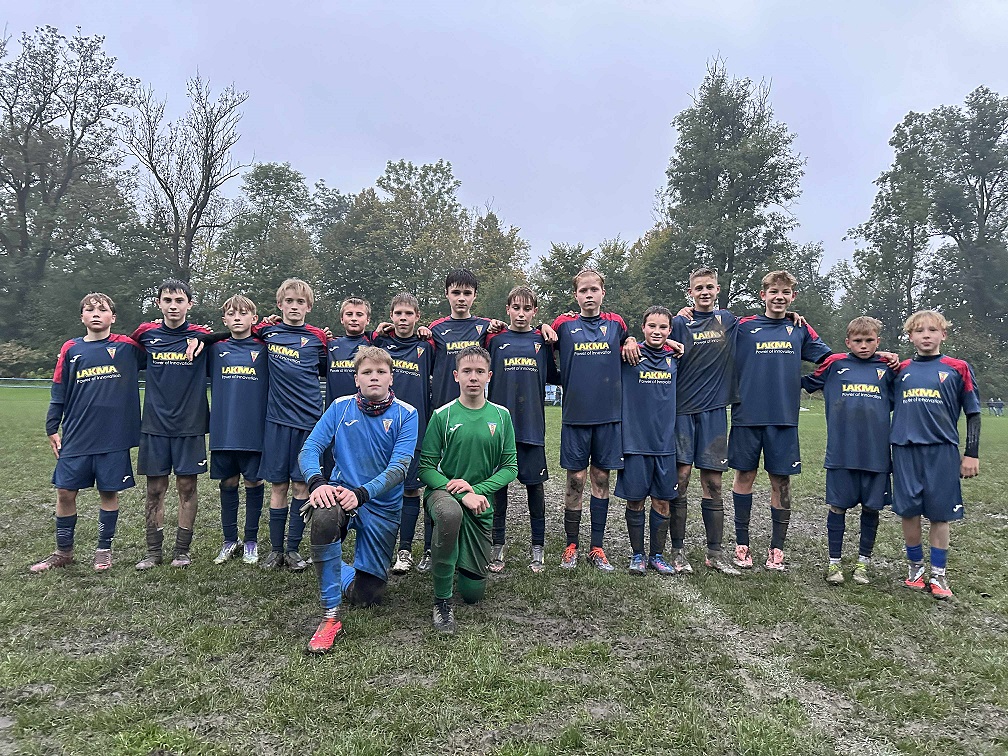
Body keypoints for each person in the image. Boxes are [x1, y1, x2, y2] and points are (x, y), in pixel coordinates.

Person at [299, 346, 418, 652]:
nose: (373, 377)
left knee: (368, 597)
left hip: (381, 506)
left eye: (380, 371)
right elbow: (310, 448)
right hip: (341, 494)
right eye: (367, 372)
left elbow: (399, 469)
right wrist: (317, 484)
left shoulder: (407, 414)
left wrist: (362, 494)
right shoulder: (340, 407)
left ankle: (333, 565)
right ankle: (330, 616)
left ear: (391, 378)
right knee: (325, 514)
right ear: (356, 379)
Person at [31, 293, 144, 573]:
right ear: (81, 316)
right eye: (89, 309)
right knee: (65, 491)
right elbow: (59, 389)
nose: (96, 313)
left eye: (102, 309)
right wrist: (52, 426)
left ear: (113, 317)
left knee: (108, 492)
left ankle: (104, 551)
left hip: (114, 435)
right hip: (77, 434)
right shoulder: (71, 348)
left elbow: (162, 349)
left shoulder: (127, 346)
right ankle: (63, 552)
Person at [729, 270, 832, 572]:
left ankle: (777, 549)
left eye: (785, 292)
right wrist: (686, 313)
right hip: (747, 416)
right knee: (744, 477)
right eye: (774, 292)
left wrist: (805, 383)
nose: (779, 297)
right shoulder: (744, 326)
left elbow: (830, 360)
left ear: (793, 296)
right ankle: (742, 545)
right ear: (763, 295)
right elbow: (709, 334)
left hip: (784, 419)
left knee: (781, 482)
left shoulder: (798, 328)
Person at [418, 346, 517, 633]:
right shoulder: (443, 415)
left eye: (479, 372)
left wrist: (476, 489)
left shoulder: (502, 416)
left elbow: (511, 467)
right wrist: (462, 494)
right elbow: (425, 468)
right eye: (467, 371)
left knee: (473, 595)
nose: (473, 377)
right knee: (450, 516)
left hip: (480, 504)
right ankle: (442, 601)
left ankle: (458, 558)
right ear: (455, 376)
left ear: (489, 376)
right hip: (444, 494)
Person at [551, 269, 639, 572]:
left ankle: (597, 547)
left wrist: (631, 339)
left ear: (603, 292)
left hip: (608, 418)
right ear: (576, 295)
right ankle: (571, 545)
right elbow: (540, 340)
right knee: (575, 480)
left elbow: (629, 340)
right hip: (575, 417)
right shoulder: (563, 325)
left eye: (594, 290)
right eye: (583, 290)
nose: (589, 295)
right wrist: (543, 327)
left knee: (601, 479)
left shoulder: (616, 324)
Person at [891, 310, 980, 599]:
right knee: (909, 512)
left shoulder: (958, 368)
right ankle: (915, 569)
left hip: (942, 450)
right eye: (919, 331)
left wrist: (971, 454)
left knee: (940, 515)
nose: (926, 335)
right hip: (905, 449)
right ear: (910, 336)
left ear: (943, 334)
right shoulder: (900, 369)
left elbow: (973, 412)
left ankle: (939, 574)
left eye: (932, 330)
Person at [801, 316, 896, 585]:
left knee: (872, 509)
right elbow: (804, 382)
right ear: (848, 342)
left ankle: (863, 563)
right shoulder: (835, 364)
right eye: (858, 340)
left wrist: (893, 359)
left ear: (878, 341)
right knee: (837, 507)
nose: (863, 345)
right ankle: (834, 563)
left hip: (876, 455)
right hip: (841, 453)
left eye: (869, 340)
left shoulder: (888, 368)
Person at [131, 279, 212, 569]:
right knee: (155, 489)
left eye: (179, 301)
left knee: (187, 487)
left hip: (190, 425)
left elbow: (234, 335)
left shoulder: (202, 337)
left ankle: (182, 551)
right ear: (159, 304)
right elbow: (122, 351)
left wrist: (204, 340)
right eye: (168, 300)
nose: (173, 306)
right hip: (155, 424)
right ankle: (153, 552)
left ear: (190, 304)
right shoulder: (147, 335)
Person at [671, 267, 742, 575]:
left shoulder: (727, 320)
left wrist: (793, 316)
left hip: (714, 412)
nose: (704, 292)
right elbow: (654, 341)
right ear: (690, 292)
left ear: (717, 290)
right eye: (698, 287)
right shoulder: (679, 322)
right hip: (682, 412)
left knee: (713, 483)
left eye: (709, 287)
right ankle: (677, 551)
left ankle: (715, 553)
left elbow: (764, 324)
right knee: (681, 479)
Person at [254, 278, 328, 571]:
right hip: (276, 421)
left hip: (309, 422)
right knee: (278, 486)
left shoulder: (318, 338)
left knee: (301, 485)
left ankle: (294, 549)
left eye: (300, 302)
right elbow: (239, 329)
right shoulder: (267, 332)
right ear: (280, 304)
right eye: (289, 301)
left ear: (309, 307)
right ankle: (275, 550)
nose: (294, 306)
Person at [486, 286, 560, 573]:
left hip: (531, 427)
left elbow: (555, 375)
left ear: (535, 312)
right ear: (507, 309)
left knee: (534, 489)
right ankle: (497, 545)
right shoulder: (495, 340)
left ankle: (537, 546)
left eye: (527, 309)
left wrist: (547, 329)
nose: (520, 313)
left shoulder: (542, 341)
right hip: (499, 430)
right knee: (498, 489)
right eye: (515, 308)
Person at [615, 306, 682, 575]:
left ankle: (657, 555)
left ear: (670, 330)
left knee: (662, 501)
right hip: (634, 443)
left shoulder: (675, 358)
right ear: (643, 327)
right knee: (635, 501)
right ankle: (637, 555)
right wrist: (629, 340)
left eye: (663, 327)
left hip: (665, 444)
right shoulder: (629, 355)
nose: (657, 331)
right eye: (652, 326)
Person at [372, 293, 435, 575]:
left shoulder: (426, 346)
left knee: (411, 489)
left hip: (415, 429)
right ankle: (380, 545)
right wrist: (377, 333)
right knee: (382, 488)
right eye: (398, 313)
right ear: (391, 316)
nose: (403, 318)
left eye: (409, 313)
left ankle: (405, 550)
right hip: (381, 428)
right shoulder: (381, 344)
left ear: (417, 317)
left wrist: (428, 334)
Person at [206, 295, 269, 566]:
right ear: (224, 320)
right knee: (228, 483)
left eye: (243, 313)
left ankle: (251, 540)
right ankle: (230, 540)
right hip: (223, 431)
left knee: (253, 483)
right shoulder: (214, 349)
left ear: (254, 319)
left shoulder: (264, 347)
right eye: (232, 313)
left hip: (254, 431)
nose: (237, 318)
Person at [326, 297, 372, 406]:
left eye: (359, 315)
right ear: (342, 319)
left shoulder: (374, 344)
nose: (354, 318)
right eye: (349, 314)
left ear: (368, 320)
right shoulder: (330, 345)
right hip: (334, 410)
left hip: (364, 409)